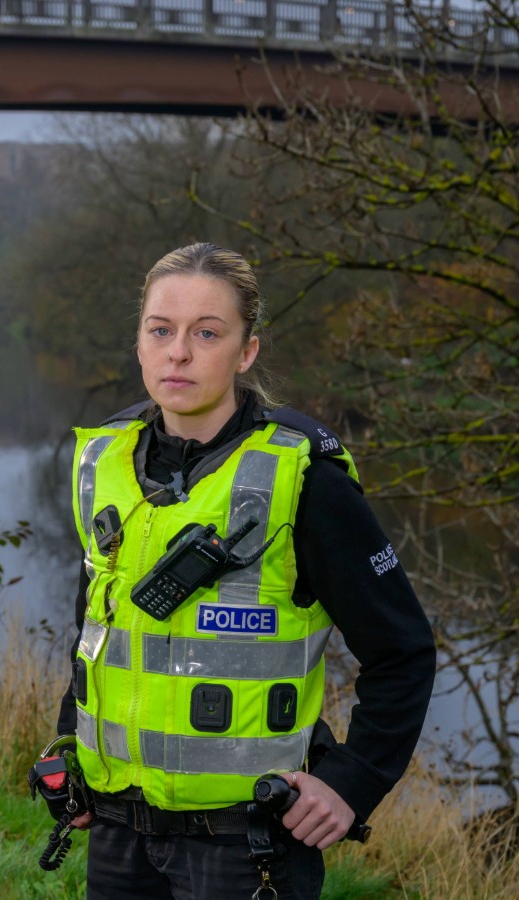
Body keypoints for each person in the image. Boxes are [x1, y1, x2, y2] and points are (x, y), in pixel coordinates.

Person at [54, 242, 436, 899]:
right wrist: (70, 752)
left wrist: (353, 781)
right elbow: (98, 631)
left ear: (246, 351)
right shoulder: (102, 463)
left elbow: (402, 652)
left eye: (207, 333)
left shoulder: (302, 480)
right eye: (161, 330)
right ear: (140, 343)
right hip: (118, 833)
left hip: (248, 843)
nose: (179, 352)